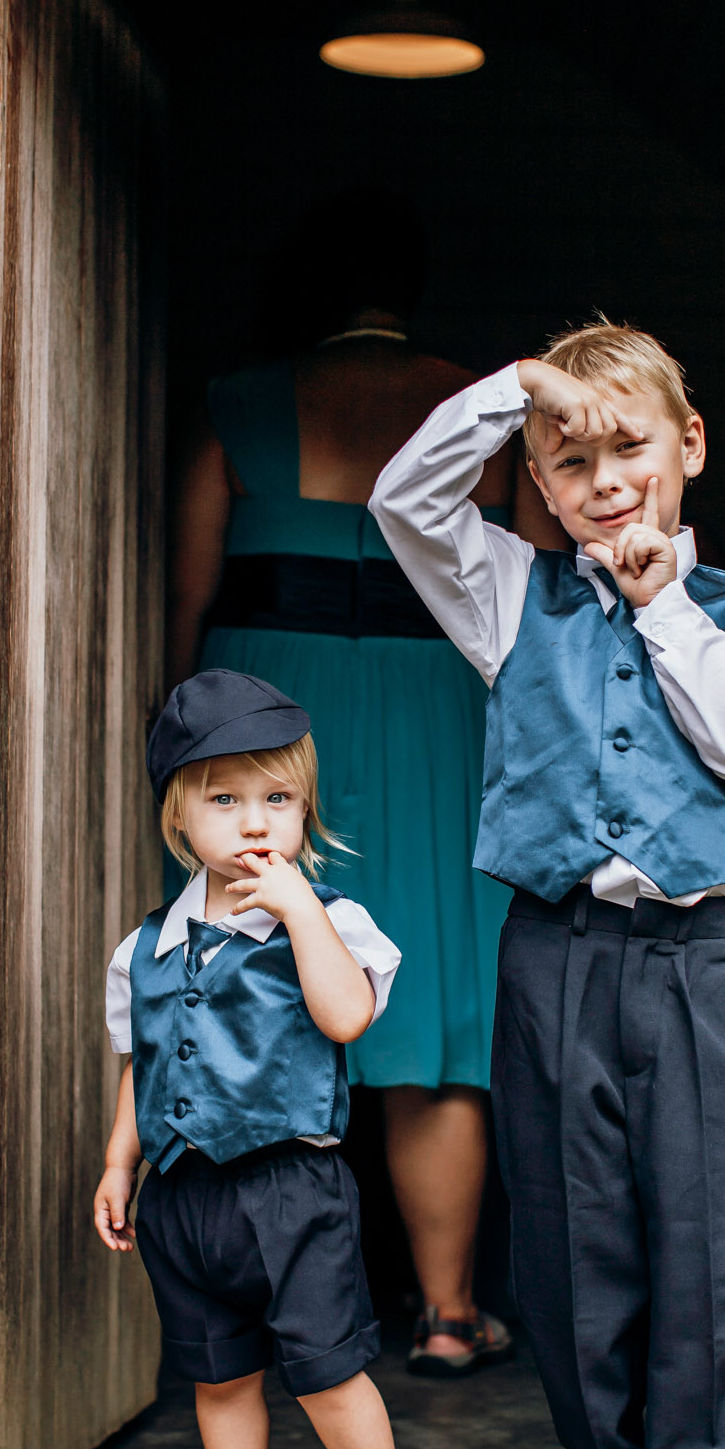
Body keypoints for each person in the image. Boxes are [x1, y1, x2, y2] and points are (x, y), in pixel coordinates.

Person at [369, 323, 725, 1449]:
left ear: (689, 447)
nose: (604, 479)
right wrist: (513, 393)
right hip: (552, 952)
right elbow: (403, 502)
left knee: (708, 1253)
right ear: (539, 483)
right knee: (565, 1243)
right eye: (572, 461)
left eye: (630, 448)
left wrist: (663, 600)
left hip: (691, 963)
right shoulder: (507, 598)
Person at [168, 189, 558, 1374]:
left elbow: (187, 599)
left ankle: (249, 1309)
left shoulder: (237, 407)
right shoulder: (480, 414)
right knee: (436, 1007)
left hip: (268, 717)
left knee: (253, 980)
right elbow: (536, 593)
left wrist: (170, 737)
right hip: (439, 708)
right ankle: (446, 1312)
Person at [94, 669, 413, 1449]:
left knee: (326, 1370)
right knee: (218, 1372)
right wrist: (122, 1161)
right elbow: (141, 1060)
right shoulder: (145, 946)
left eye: (277, 798)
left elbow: (347, 1015)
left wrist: (300, 910)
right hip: (184, 1193)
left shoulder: (331, 924)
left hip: (289, 1188)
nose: (253, 822)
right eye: (225, 800)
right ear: (180, 817)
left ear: (306, 807)